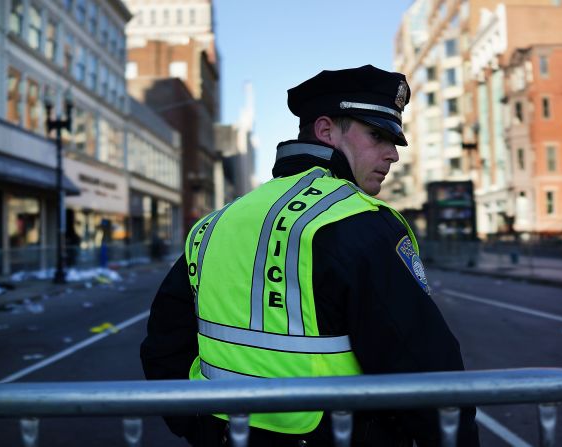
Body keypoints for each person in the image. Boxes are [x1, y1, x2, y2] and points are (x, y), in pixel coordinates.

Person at [140, 65, 480, 446]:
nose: (392, 155)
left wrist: (200, 427)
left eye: (394, 142)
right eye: (377, 136)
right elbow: (425, 368)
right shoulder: (359, 221)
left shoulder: (214, 224)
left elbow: (164, 345)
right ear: (326, 131)